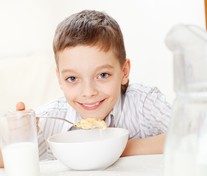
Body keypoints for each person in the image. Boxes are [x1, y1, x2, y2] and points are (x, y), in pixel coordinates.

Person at [0, 9, 171, 166]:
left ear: (124, 71)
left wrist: (116, 148)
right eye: (72, 78)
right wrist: (19, 139)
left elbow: (192, 135)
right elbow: (7, 161)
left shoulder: (143, 103)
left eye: (103, 75)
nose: (89, 93)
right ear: (59, 78)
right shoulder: (49, 120)